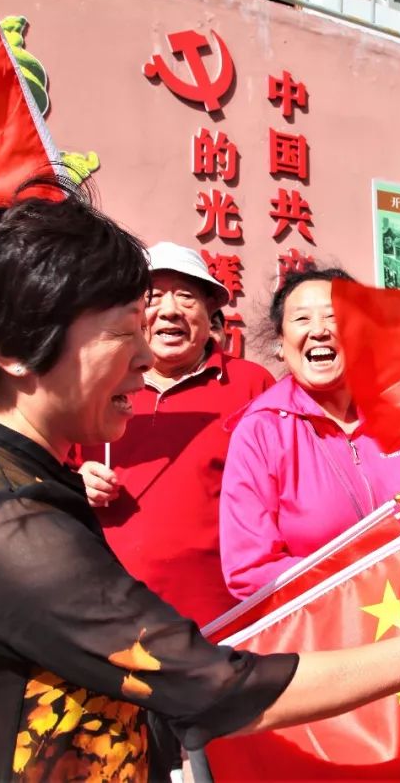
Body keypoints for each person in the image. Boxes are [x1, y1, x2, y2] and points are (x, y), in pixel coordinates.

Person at [0, 181, 400, 781]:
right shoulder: (7, 522)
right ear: (14, 348)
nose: (145, 355)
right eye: (121, 332)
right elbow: (211, 689)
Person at [220, 268, 400, 600]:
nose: (319, 330)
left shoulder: (399, 417)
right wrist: (362, 577)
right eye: (302, 319)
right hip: (326, 635)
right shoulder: (260, 431)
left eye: (334, 317)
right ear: (280, 343)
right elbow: (249, 570)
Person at [75, 242, 273, 629]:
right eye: (152, 297)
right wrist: (73, 482)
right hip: (107, 611)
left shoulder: (252, 384)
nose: (169, 310)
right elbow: (40, 469)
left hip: (223, 615)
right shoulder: (95, 385)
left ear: (210, 312)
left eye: (186, 297)